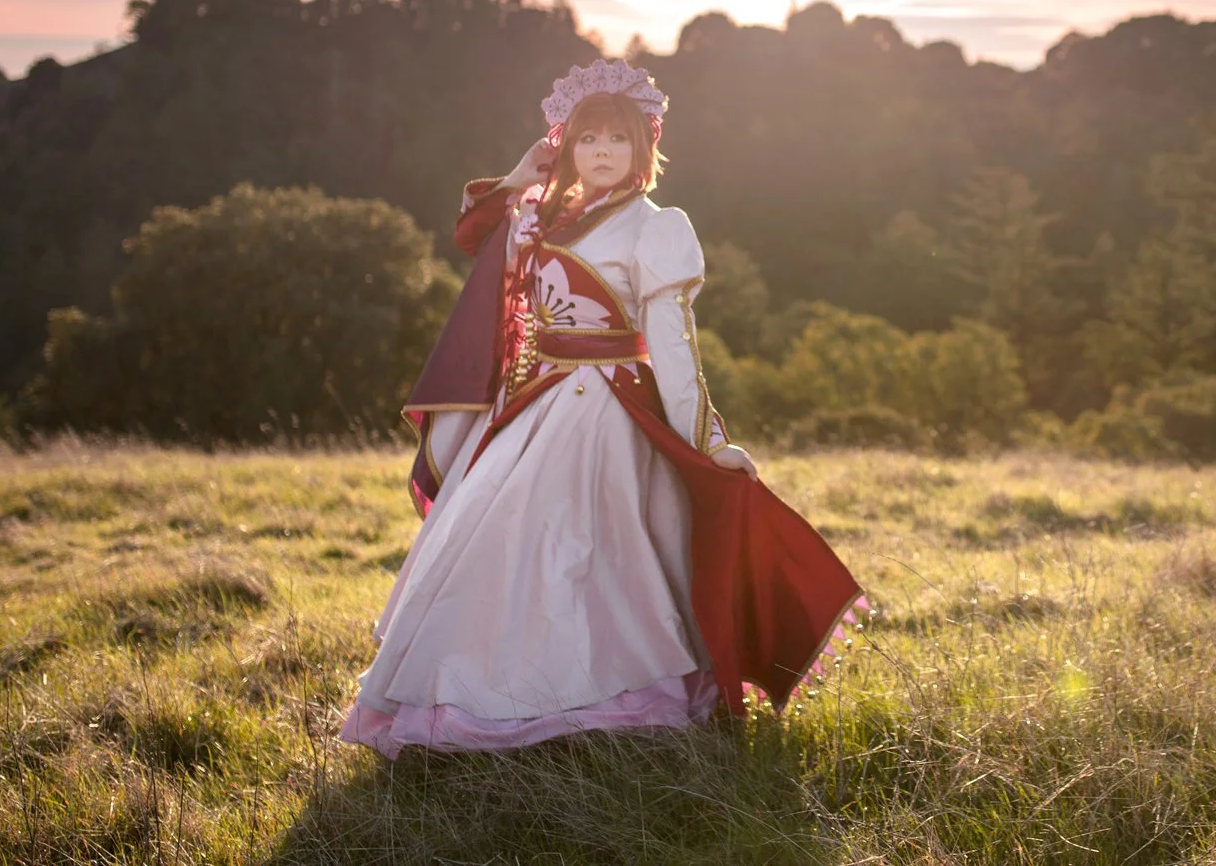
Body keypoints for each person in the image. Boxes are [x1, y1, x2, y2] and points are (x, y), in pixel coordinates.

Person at [339, 59, 865, 758]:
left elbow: (675, 348)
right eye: (588, 140)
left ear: (643, 149)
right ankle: (478, 697)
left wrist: (708, 441)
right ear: (568, 146)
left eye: (617, 140)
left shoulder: (657, 227)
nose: (603, 154)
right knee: (502, 544)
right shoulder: (549, 213)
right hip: (534, 402)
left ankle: (603, 698)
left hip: (608, 410)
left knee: (590, 555)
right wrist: (524, 171)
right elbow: (477, 235)